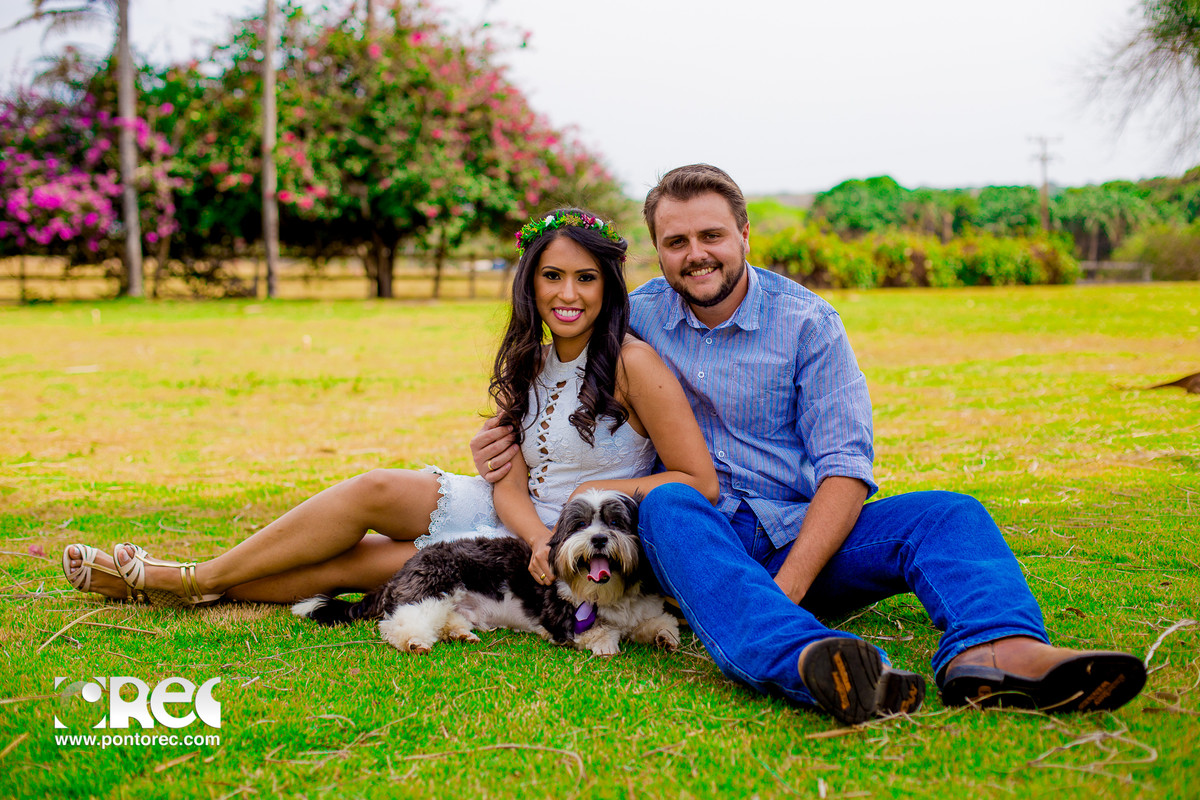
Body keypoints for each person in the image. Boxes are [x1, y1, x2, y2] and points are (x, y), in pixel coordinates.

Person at [471, 165, 1147, 725]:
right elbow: (551, 354)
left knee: (948, 513)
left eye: (711, 234)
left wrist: (791, 581)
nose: (695, 253)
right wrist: (499, 441)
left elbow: (846, 471)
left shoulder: (808, 325)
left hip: (804, 540)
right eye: (675, 241)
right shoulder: (638, 313)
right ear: (658, 249)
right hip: (696, 540)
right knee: (671, 502)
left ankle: (999, 652)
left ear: (743, 233)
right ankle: (816, 663)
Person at [62, 209, 717, 609]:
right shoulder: (535, 361)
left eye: (585, 278)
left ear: (607, 285)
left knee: (355, 567)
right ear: (531, 283)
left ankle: (180, 585)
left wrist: (592, 499)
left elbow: (698, 483)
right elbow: (512, 482)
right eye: (552, 276)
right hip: (520, 523)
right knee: (372, 488)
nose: (567, 293)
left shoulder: (635, 364)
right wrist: (530, 531)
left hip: (570, 544)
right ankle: (192, 577)